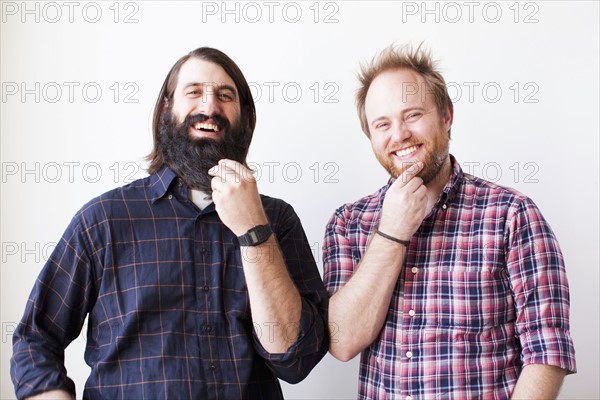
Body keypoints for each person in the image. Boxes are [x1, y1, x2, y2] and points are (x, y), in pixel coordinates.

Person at [11, 47, 328, 400]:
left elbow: (295, 361)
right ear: (167, 109)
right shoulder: (104, 220)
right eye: (194, 92)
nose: (209, 107)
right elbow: (35, 339)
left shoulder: (277, 222)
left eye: (226, 95)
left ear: (245, 118)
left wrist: (254, 230)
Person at [323, 43, 576, 399]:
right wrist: (392, 232)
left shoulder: (512, 215)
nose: (399, 135)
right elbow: (343, 341)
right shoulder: (348, 223)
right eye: (382, 124)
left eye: (412, 115)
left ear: (446, 116)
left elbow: (547, 350)